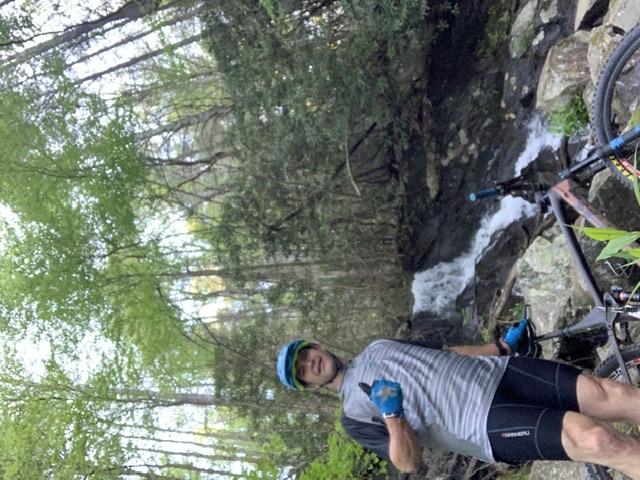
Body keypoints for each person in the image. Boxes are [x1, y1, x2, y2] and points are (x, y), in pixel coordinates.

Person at [276, 323, 640, 478]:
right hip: (481, 421)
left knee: (612, 393)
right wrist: (392, 416)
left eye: (306, 355)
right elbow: (406, 463)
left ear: (316, 346)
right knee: (596, 439)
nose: (310, 363)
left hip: (500, 372)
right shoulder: (352, 417)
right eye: (304, 371)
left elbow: (445, 352)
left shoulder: (377, 345)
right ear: (310, 385)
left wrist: (499, 348)